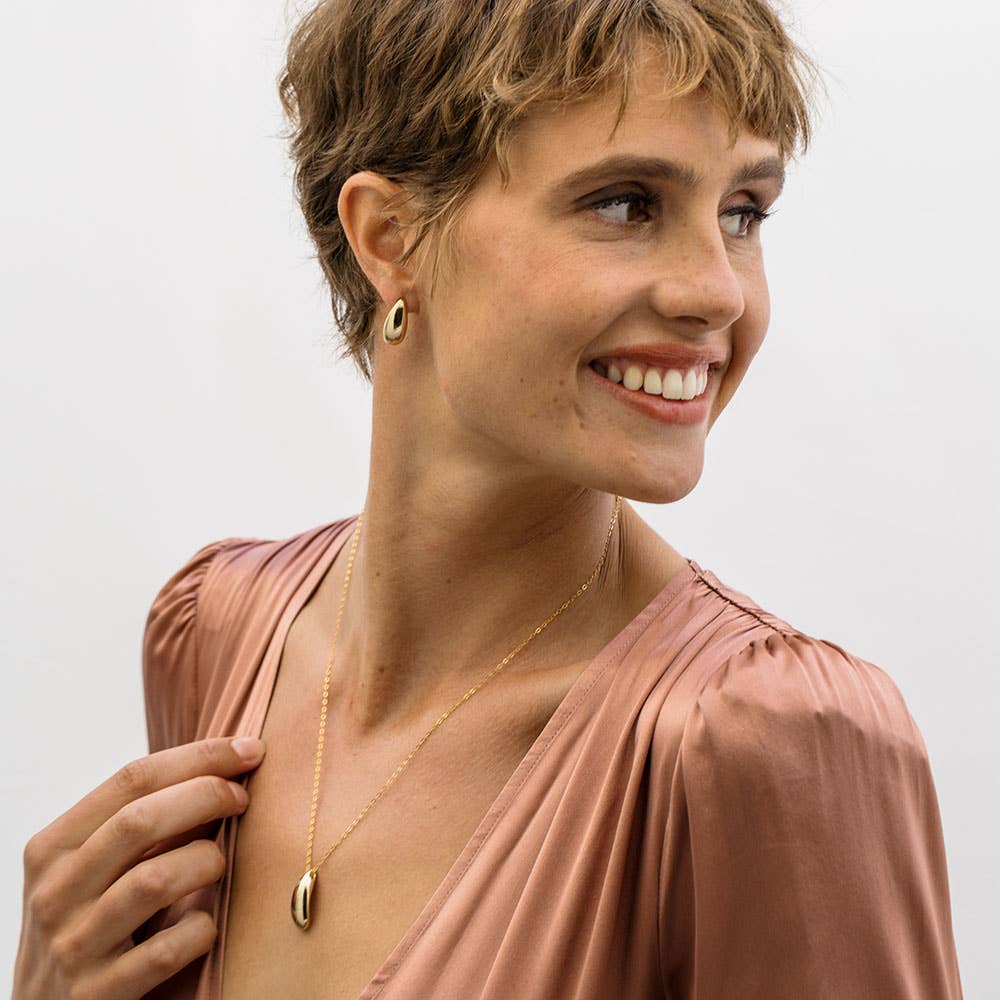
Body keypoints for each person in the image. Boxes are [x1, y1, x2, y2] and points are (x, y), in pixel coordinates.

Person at [14, 0, 965, 998]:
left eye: (743, 213)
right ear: (389, 236)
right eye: (626, 204)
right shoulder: (212, 629)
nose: (717, 291)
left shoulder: (767, 742)